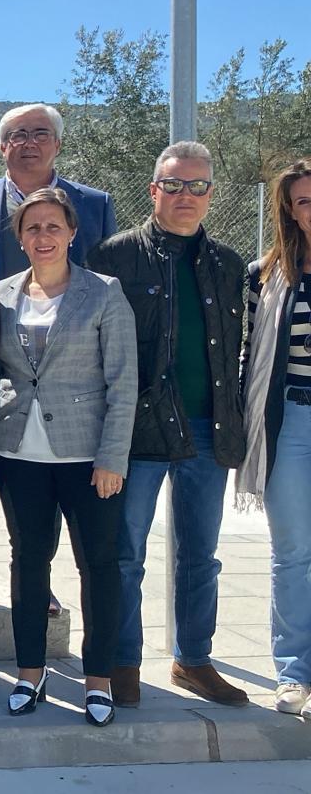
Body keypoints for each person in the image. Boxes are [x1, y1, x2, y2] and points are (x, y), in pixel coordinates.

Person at [87, 141, 249, 709]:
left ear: (211, 194)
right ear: (154, 190)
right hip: (138, 430)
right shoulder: (113, 256)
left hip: (209, 428)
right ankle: (123, 660)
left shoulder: (229, 265)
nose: (186, 195)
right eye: (174, 184)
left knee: (201, 552)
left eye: (198, 185)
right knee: (125, 551)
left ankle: (193, 659)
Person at [0, 104, 118, 605]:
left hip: (60, 379)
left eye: (40, 133)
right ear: (1, 146)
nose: (29, 143)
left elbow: (102, 287)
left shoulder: (93, 204)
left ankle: (38, 588)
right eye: (17, 135)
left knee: (48, 503)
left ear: (57, 144)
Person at [0, 188, 137, 727]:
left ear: (71, 233)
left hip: (88, 456)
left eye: (52, 227)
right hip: (16, 452)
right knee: (28, 563)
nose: (42, 237)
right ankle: (30, 672)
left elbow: (122, 383)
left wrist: (113, 457)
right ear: (18, 238)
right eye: (31, 228)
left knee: (98, 566)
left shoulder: (104, 293)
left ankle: (98, 679)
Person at [238, 159, 311, 717]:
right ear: (289, 211)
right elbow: (250, 358)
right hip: (289, 420)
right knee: (293, 554)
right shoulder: (268, 273)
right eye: (302, 201)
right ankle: (294, 676)